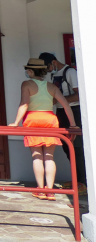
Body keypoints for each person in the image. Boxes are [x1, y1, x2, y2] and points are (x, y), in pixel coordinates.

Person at [10, 58, 76, 201]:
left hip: (32, 119)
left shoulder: (26, 84)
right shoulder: (52, 86)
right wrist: (73, 124)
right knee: (49, 157)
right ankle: (50, 190)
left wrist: (15, 122)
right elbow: (65, 104)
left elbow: (24, 104)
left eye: (27, 70)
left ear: (31, 71)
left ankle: (40, 189)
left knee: (37, 156)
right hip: (50, 119)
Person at [40, 52, 86, 195]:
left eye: (47, 67)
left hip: (74, 111)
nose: (47, 71)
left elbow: (79, 94)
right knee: (67, 147)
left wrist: (60, 100)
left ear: (53, 62)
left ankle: (84, 182)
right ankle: (76, 180)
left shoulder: (70, 72)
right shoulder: (54, 75)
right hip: (60, 112)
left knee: (77, 147)